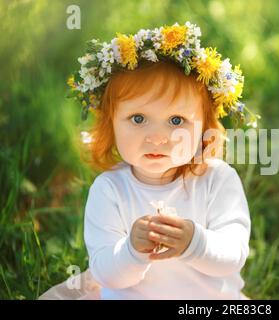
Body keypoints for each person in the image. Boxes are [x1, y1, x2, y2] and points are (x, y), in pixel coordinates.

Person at [39, 21, 258, 300]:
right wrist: (131, 251)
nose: (157, 138)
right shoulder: (110, 189)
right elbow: (105, 272)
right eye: (138, 119)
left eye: (176, 120)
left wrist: (196, 243)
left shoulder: (217, 180)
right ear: (111, 124)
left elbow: (234, 254)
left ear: (205, 128)